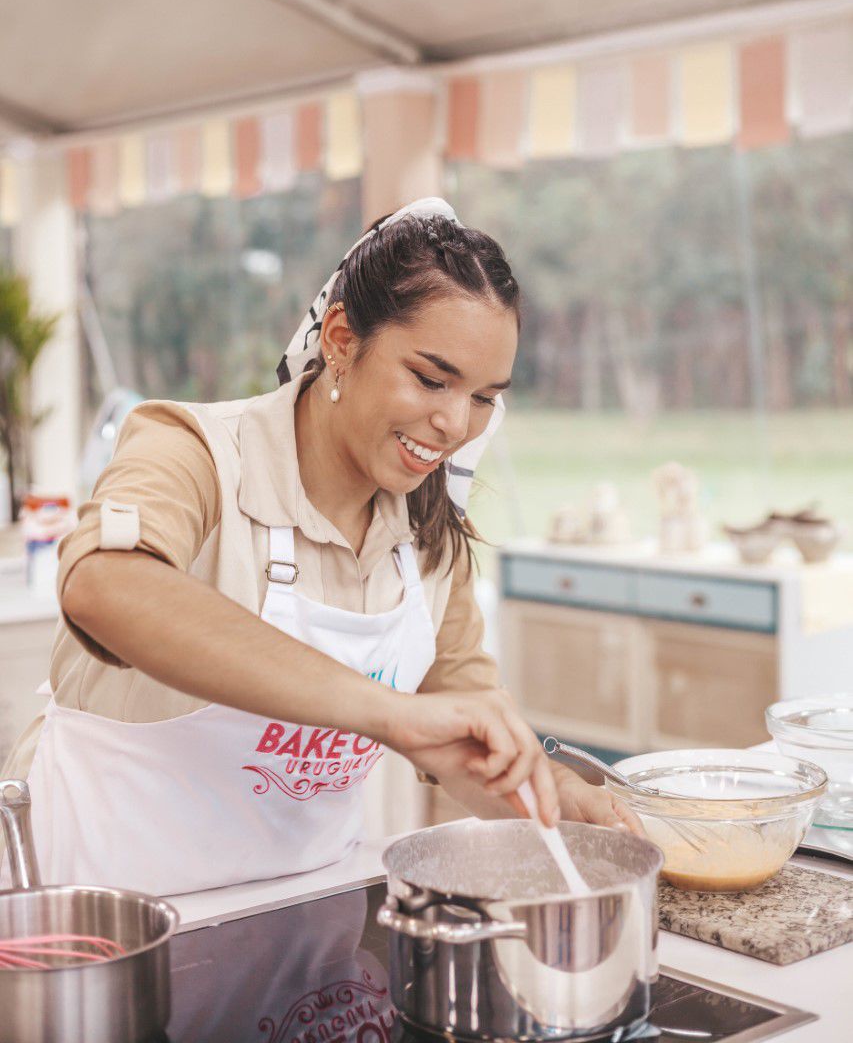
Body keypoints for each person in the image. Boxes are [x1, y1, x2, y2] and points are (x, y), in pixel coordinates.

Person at [2, 198, 636, 896]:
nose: (456, 422)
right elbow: (104, 585)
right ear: (339, 338)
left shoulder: (427, 537)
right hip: (105, 922)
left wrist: (555, 795)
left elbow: (463, 736)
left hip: (299, 930)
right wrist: (385, 711)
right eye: (431, 378)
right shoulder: (196, 452)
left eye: (484, 396)